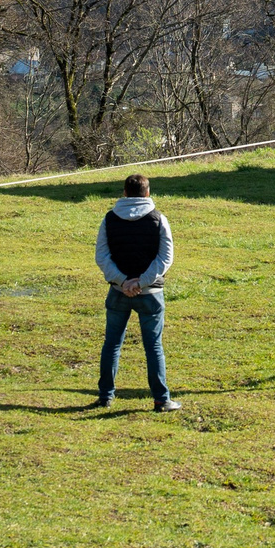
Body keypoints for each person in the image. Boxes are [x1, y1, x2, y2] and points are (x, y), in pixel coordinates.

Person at [95, 172, 178, 411]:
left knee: (112, 344)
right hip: (151, 294)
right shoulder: (158, 218)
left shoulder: (109, 219)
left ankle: (105, 396)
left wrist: (123, 282)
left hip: (118, 292)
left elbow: (102, 256)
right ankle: (161, 400)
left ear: (124, 193)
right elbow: (166, 258)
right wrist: (140, 282)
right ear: (147, 193)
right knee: (153, 346)